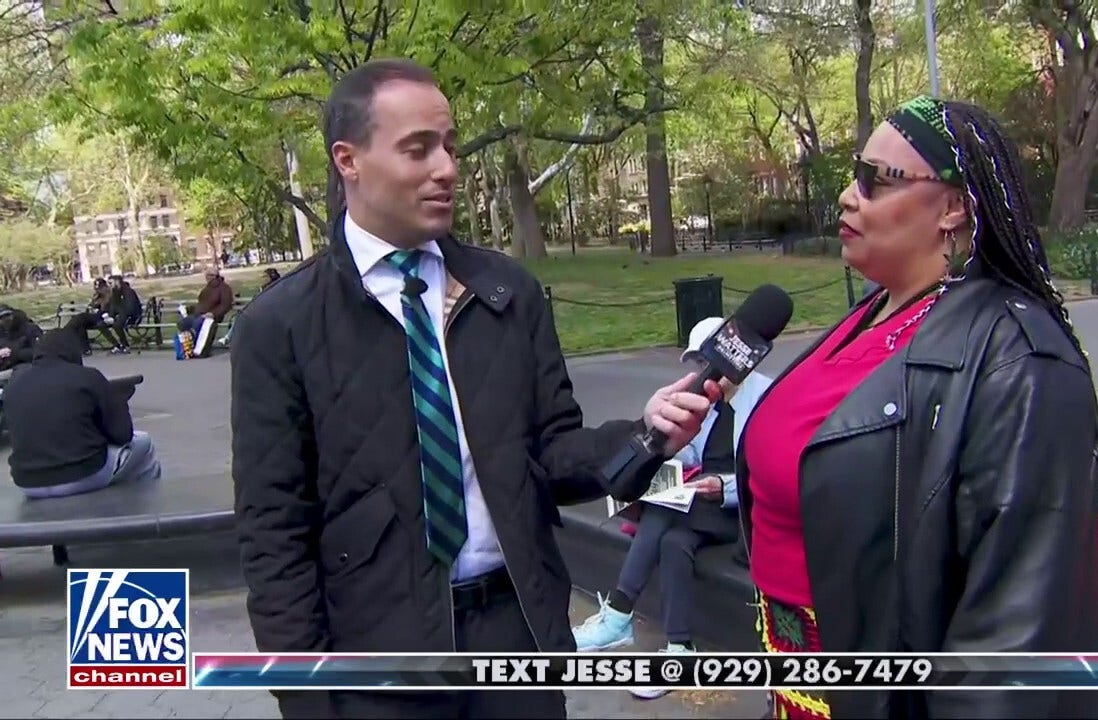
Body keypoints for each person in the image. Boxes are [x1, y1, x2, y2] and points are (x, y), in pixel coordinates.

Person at [229, 58, 718, 720]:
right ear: (349, 160)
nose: (447, 168)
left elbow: (549, 455)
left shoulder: (505, 292)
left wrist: (645, 436)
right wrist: (310, 695)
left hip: (513, 637)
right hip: (377, 659)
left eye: (450, 146)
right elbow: (273, 532)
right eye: (418, 149)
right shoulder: (279, 326)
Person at [735, 96, 1098, 720]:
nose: (850, 197)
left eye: (878, 181)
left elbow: (1016, 630)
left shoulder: (1019, 360)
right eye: (854, 176)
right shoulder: (869, 314)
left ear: (953, 207)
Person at [573, 317, 773, 690]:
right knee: (672, 541)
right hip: (700, 507)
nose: (702, 372)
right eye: (698, 364)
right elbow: (690, 452)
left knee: (664, 510)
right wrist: (665, 465)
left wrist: (723, 487)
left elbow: (769, 469)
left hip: (742, 510)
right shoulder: (706, 400)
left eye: (707, 362)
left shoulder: (766, 396)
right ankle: (681, 649)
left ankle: (618, 613)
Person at [4, 325, 160, 498]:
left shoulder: (14, 385)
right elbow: (123, 435)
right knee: (144, 444)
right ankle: (144, 507)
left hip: (27, 482)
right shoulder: (88, 377)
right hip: (83, 473)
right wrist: (119, 403)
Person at [177, 266, 234, 334]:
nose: (206, 277)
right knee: (182, 323)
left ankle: (196, 343)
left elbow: (226, 305)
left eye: (207, 275)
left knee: (196, 325)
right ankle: (186, 342)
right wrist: (188, 309)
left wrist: (213, 314)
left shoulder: (224, 288)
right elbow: (202, 304)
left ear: (213, 276)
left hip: (211, 317)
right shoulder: (207, 288)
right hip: (199, 315)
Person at [104, 274, 143, 353]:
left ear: (117, 282)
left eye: (111, 283)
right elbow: (113, 306)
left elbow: (131, 308)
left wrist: (118, 316)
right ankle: (116, 345)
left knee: (117, 325)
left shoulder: (128, 292)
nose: (110, 286)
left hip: (133, 316)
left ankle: (125, 345)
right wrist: (110, 316)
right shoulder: (114, 293)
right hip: (121, 316)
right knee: (101, 324)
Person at [0, 304, 44, 372]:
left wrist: (14, 353)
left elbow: (40, 352)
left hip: (27, 367)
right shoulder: (2, 332)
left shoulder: (30, 328)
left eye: (8, 315)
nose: (6, 319)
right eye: (1, 318)